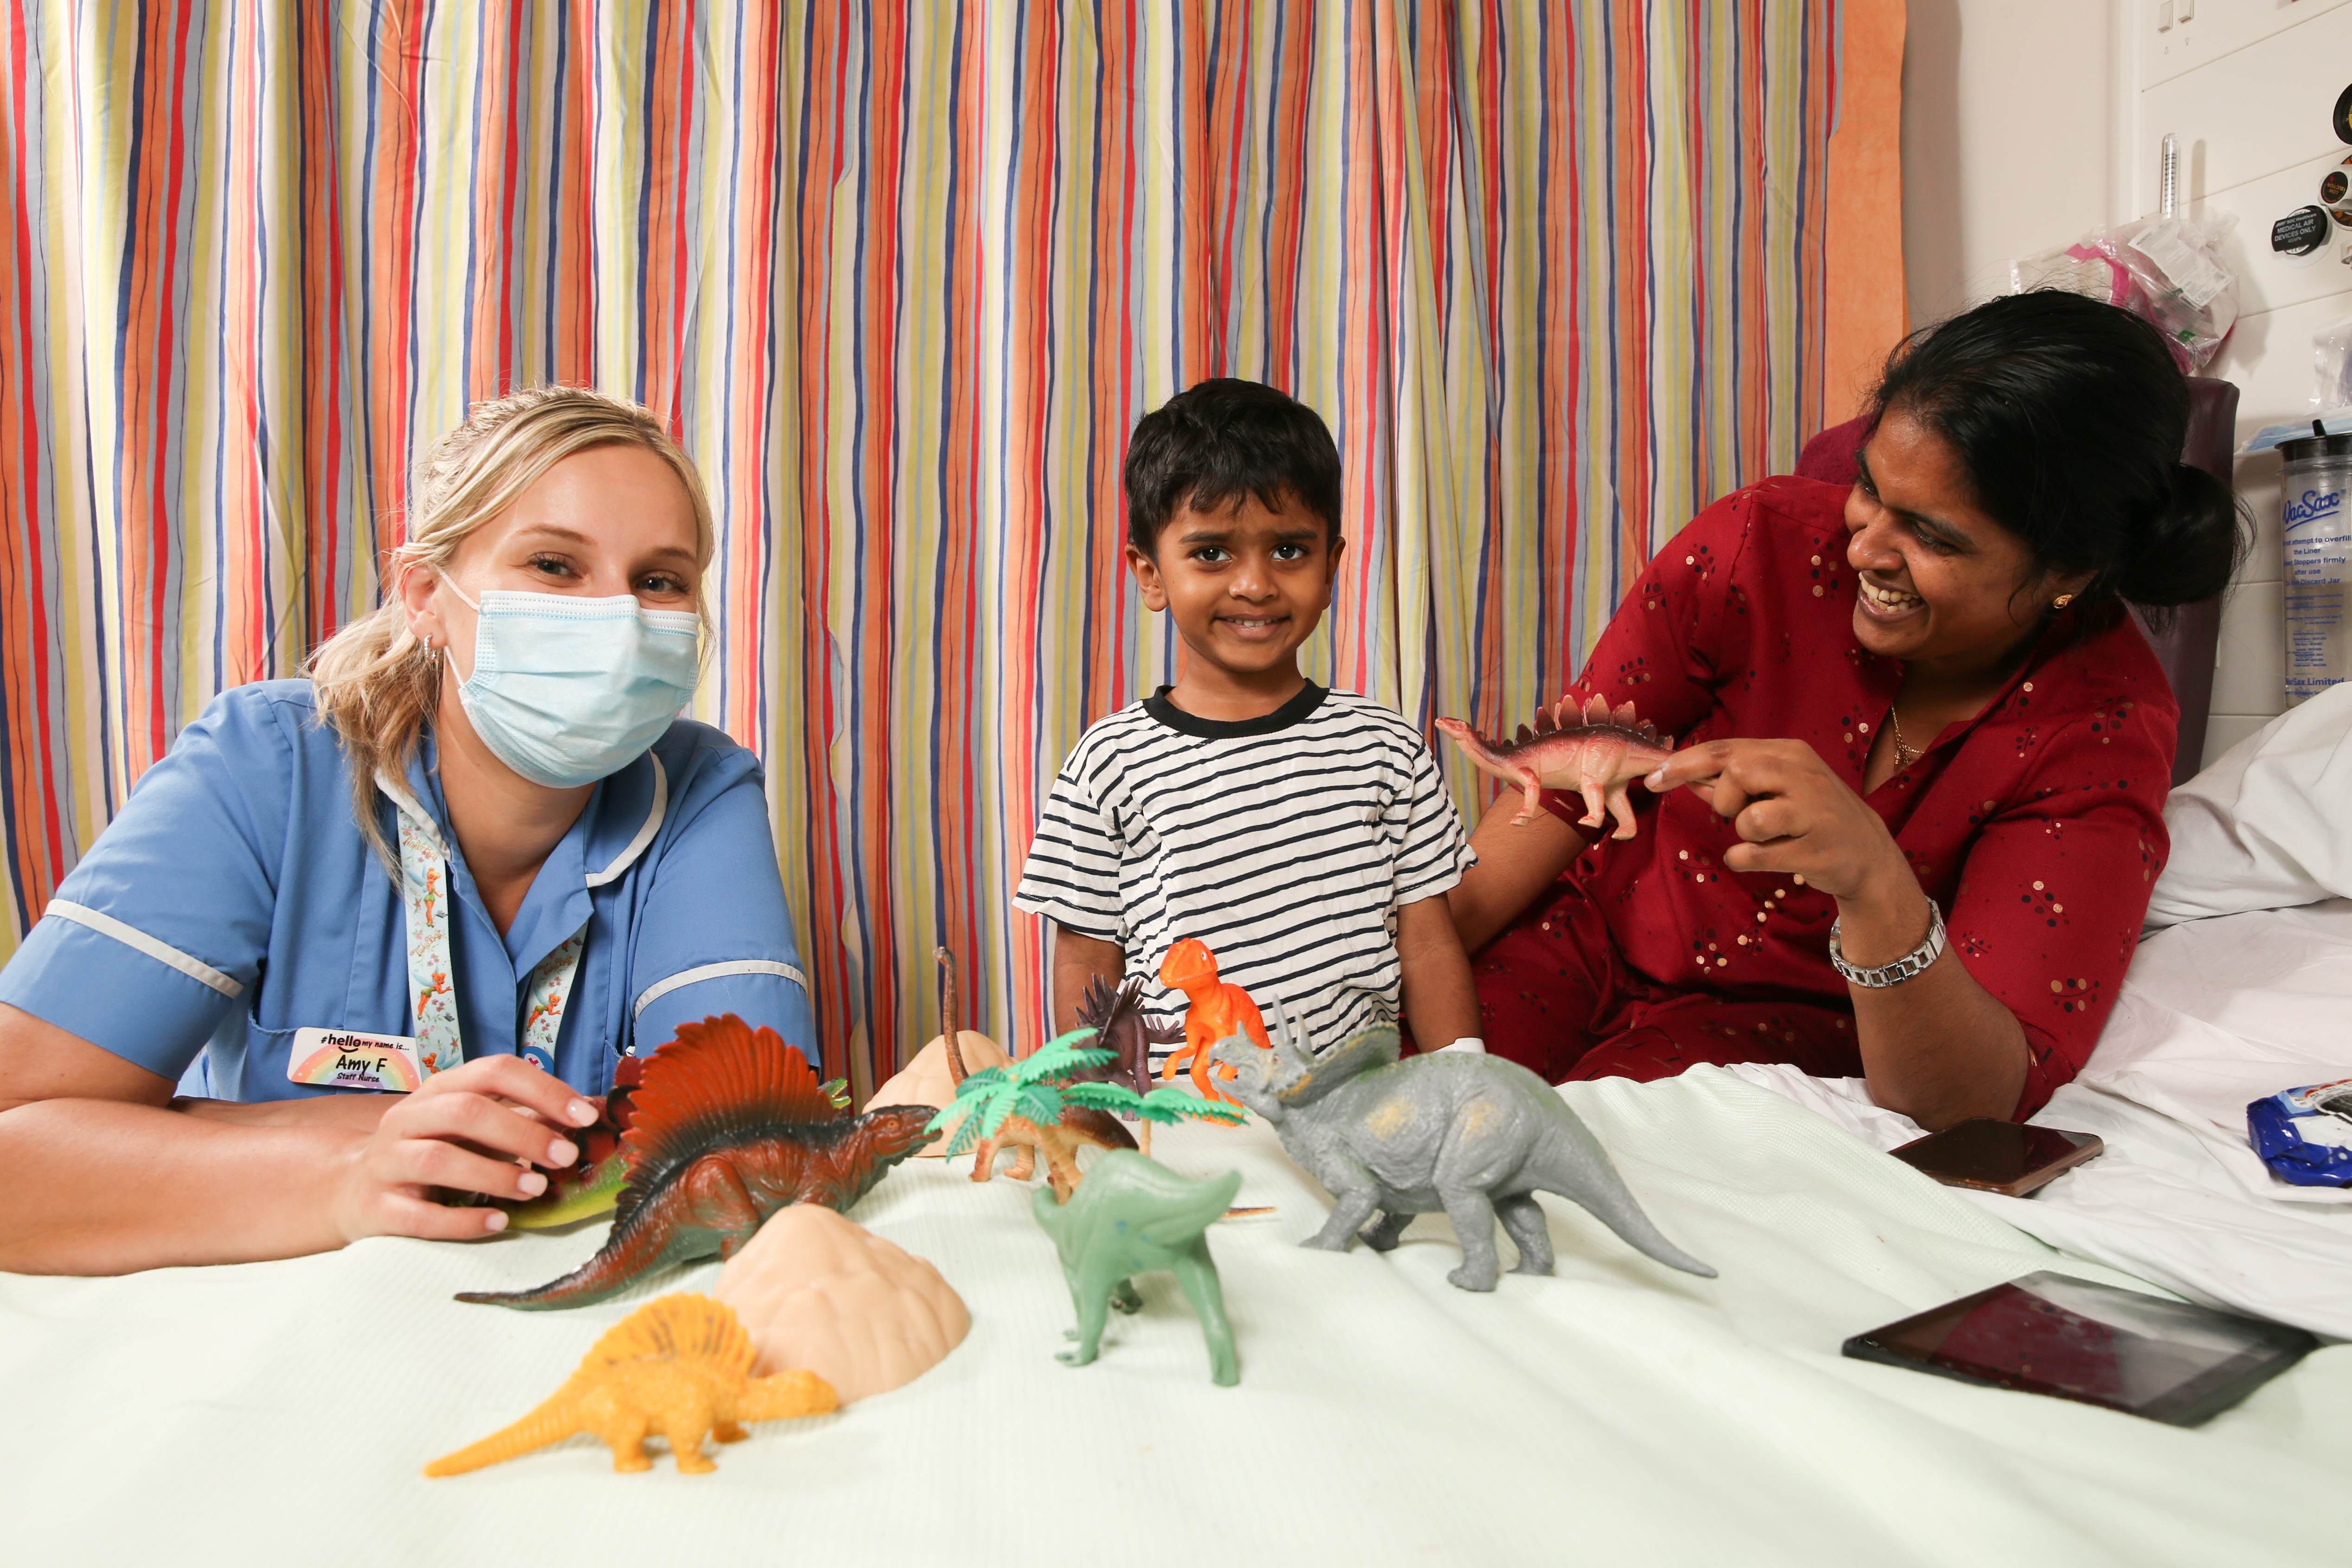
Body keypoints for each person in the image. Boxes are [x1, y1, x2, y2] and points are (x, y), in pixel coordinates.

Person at [0, 386, 814, 1273]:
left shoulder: (701, 786)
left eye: (660, 580)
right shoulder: (263, 765)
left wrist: (234, 1131)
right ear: (426, 593)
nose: (616, 619)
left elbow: (750, 1150)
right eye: (554, 565)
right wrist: (343, 1172)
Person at [1447, 292, 2245, 1129]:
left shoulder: (2100, 727)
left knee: (1577, 1167)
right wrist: (1401, 946)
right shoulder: (1758, 546)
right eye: (1870, 484)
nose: (1863, 546)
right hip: (1579, 938)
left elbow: (1979, 1095)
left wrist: (1875, 882)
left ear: (2069, 572)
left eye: (1932, 536)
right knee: (1381, 1105)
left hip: (1783, 1032)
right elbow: (1571, 783)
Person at [1014, 378, 1482, 1065]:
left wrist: (1467, 1079)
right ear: (1150, 574)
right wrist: (1099, 1107)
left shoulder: (1385, 748)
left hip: (1362, 1097)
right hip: (1190, 1113)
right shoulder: (1109, 763)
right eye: (1212, 553)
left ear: (1331, 566)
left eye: (1289, 549)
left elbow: (1429, 941)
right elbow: (1086, 960)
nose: (1256, 583)